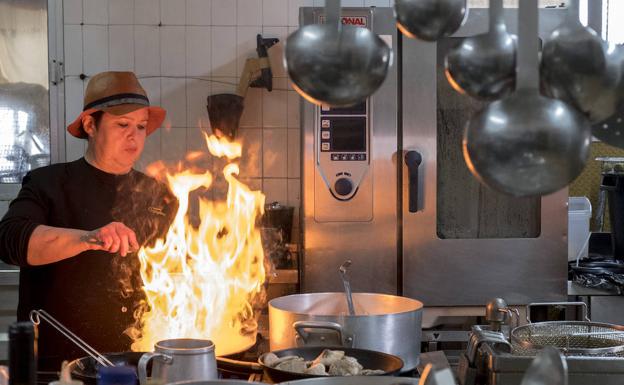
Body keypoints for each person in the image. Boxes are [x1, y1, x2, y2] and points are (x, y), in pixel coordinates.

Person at [0, 71, 177, 370]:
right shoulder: (48, 184)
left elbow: (168, 273)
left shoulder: (160, 196)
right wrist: (89, 238)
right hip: (58, 363)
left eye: (141, 126)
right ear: (89, 124)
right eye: (122, 124)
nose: (134, 136)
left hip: (135, 359)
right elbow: (9, 241)